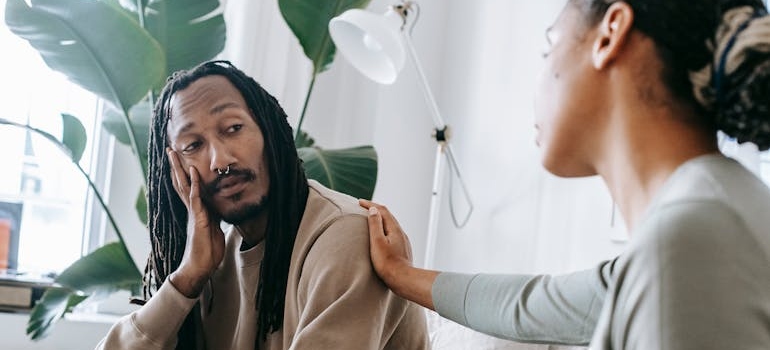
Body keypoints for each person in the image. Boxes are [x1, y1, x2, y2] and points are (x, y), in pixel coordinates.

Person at [361, 0, 770, 349]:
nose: (536, 85)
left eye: (548, 48)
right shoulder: (712, 213)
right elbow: (531, 304)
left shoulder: (690, 240)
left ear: (610, 35)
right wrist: (400, 273)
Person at [96, 60, 428, 350]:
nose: (221, 160)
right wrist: (187, 279)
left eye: (233, 128)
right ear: (176, 172)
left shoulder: (346, 236)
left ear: (268, 129)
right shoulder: (212, 263)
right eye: (193, 144)